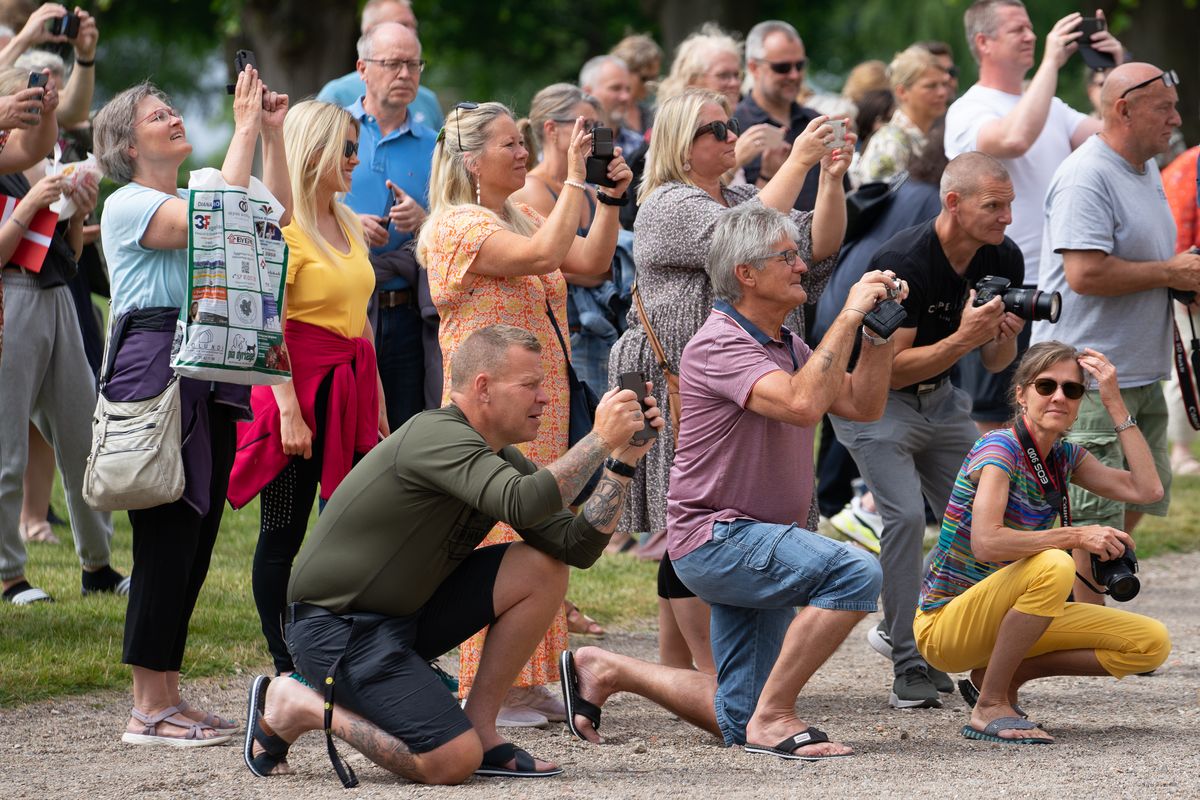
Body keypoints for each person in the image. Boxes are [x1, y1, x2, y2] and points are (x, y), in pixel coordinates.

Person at [242, 324, 663, 783]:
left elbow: (574, 548)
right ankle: (299, 705)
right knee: (449, 762)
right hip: (335, 629)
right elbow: (524, 500)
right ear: (482, 387)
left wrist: (622, 461)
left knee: (541, 567)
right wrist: (599, 439)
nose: (544, 398)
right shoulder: (435, 435)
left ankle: (482, 729)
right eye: (530, 385)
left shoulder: (498, 454)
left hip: (402, 619)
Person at [560, 204, 890, 759]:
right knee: (857, 572)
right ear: (746, 273)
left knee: (736, 717)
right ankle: (777, 715)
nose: (802, 267)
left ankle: (603, 667)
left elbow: (862, 402)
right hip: (720, 538)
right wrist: (849, 315)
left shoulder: (785, 342)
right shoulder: (718, 343)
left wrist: (879, 338)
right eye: (788, 257)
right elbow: (804, 403)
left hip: (756, 537)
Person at [607, 88, 850, 671]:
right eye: (715, 130)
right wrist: (798, 160)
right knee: (695, 521)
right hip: (680, 383)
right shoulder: (667, 203)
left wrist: (834, 179)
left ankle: (675, 670)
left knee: (706, 519)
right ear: (680, 146)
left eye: (732, 125)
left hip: (745, 377)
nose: (730, 136)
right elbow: (746, 238)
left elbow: (818, 245)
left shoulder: (744, 195)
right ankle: (709, 670)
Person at [416, 101, 632, 726]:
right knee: (501, 532)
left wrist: (609, 200)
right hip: (487, 403)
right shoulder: (458, 225)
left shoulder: (517, 212)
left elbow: (587, 263)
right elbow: (543, 254)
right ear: (469, 159)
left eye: (522, 141)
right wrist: (573, 178)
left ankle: (523, 678)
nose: (523, 151)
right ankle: (490, 685)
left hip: (535, 399)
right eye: (509, 143)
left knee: (541, 526)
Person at [94, 69, 291, 744]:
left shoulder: (197, 189)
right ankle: (146, 708)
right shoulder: (127, 203)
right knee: (165, 538)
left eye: (175, 110)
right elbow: (209, 224)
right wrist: (239, 131)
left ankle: (167, 698)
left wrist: (269, 136)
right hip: (156, 372)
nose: (175, 119)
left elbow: (273, 217)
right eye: (158, 117)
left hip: (205, 370)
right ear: (126, 146)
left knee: (195, 542)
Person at [829, 152, 1025, 709]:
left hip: (941, 403)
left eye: (1010, 204)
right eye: (994, 205)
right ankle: (906, 659)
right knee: (907, 515)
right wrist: (967, 337)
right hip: (873, 404)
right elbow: (887, 366)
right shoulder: (904, 260)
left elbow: (993, 362)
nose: (1007, 217)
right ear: (953, 203)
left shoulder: (1002, 255)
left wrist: (1002, 332)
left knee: (987, 516)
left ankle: (960, 645)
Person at [915, 341, 1170, 744]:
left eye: (1071, 390)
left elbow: (1148, 488)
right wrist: (1077, 536)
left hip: (1005, 616)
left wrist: (1115, 403)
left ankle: (1002, 675)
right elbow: (986, 542)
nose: (1058, 397)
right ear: (1021, 393)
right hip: (947, 626)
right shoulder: (999, 448)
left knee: (1149, 643)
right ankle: (990, 705)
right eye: (1045, 385)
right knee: (1055, 563)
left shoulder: (1064, 457)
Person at [227, 100, 385, 677]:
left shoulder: (345, 219)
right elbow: (270, 323)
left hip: (349, 384)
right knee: (284, 530)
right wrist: (290, 412)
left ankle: (342, 646)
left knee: (349, 528)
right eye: (346, 147)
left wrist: (380, 406)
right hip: (295, 386)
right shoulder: (286, 227)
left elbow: (361, 317)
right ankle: (285, 658)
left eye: (355, 146)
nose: (355, 158)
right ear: (314, 151)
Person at [1031, 63, 1191, 599]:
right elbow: (1085, 272)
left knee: (1145, 493)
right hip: (1085, 375)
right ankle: (1085, 622)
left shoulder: (1143, 168)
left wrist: (1180, 280)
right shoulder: (1088, 175)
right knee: (1093, 514)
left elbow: (1137, 260)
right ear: (1124, 109)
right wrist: (1171, 272)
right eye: (1164, 107)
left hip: (1136, 371)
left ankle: (1069, 605)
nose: (1177, 117)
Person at [945, 1, 1122, 432]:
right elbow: (1015, 138)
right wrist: (1050, 65)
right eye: (1017, 30)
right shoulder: (968, 110)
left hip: (1057, 284)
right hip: (1001, 285)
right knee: (996, 419)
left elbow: (1116, 141)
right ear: (983, 43)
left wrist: (1119, 73)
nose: (1031, 36)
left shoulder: (1053, 106)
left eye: (1030, 28)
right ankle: (986, 500)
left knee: (1053, 419)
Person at [0, 65, 121, 605]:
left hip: (55, 299)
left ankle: (98, 564)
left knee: (84, 438)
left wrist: (75, 209)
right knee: (6, 451)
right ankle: (9, 577)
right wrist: (33, 203)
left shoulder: (26, 156)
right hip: (8, 298)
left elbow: (66, 256)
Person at [340, 20, 438, 430]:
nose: (405, 74)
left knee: (403, 433)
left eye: (414, 65)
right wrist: (346, 223)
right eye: (393, 63)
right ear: (362, 69)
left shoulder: (435, 144)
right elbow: (295, 204)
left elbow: (458, 221)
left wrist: (424, 221)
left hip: (405, 312)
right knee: (345, 433)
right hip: (341, 307)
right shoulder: (330, 130)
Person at [735, 20, 838, 211]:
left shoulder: (817, 121)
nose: (794, 75)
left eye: (799, 65)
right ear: (754, 68)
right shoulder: (733, 128)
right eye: (782, 67)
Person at [316, 0, 442, 129]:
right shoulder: (337, 95)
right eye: (402, 25)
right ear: (370, 32)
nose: (411, 33)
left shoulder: (428, 101)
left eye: (413, 26)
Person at [1161, 145, 1200, 475]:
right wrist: (1186, 283)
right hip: (1193, 286)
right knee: (1187, 365)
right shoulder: (1190, 165)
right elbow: (1175, 231)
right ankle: (1181, 451)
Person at [857, 46, 948, 182]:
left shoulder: (926, 136)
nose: (942, 92)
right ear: (902, 92)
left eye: (944, 84)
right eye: (930, 86)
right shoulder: (890, 142)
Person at [579, 54, 641, 157]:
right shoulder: (569, 146)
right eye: (615, 88)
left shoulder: (639, 145)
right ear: (587, 92)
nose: (625, 97)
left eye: (628, 89)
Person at [610, 33, 662, 138]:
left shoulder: (651, 113)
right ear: (625, 71)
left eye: (654, 78)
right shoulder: (607, 116)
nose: (651, 84)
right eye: (645, 78)